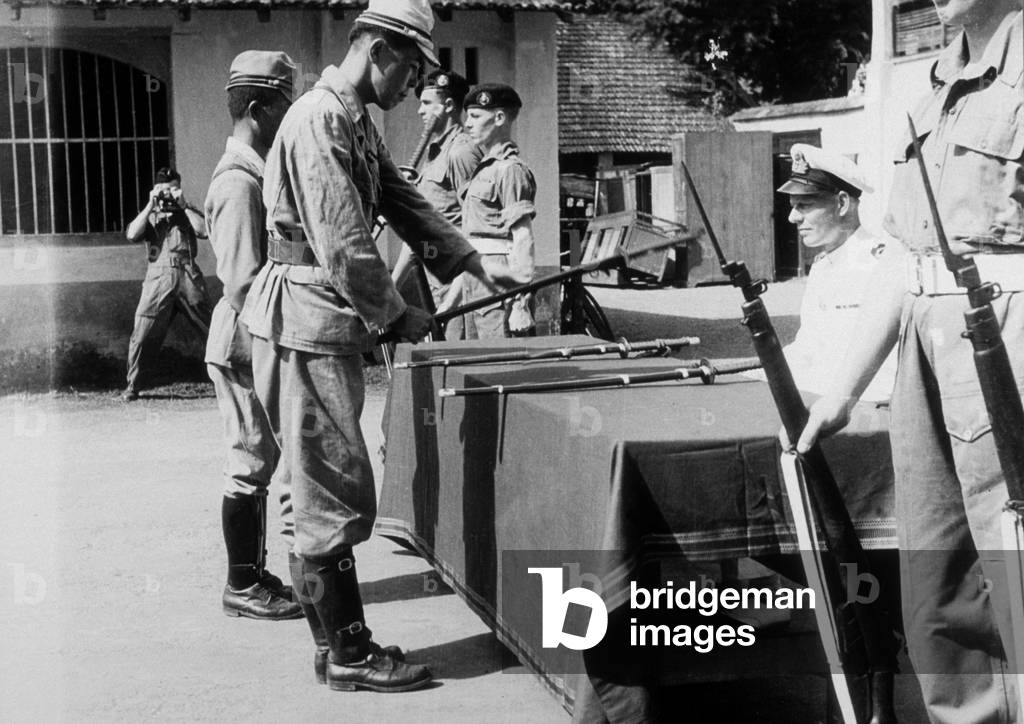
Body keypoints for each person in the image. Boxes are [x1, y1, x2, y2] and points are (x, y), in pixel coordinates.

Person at [239, 0, 523, 693]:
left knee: (318, 480)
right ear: (382, 51)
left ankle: (333, 644)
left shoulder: (350, 116)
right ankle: (350, 653)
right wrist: (397, 315)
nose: (413, 90)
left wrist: (469, 260)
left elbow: (399, 198)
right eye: (414, 71)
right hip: (307, 313)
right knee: (330, 481)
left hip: (317, 313)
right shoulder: (318, 119)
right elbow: (343, 238)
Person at [795, 3, 1024, 722]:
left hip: (1008, 336)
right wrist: (842, 390)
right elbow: (904, 260)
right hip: (925, 345)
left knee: (1014, 565)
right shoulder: (933, 87)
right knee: (936, 577)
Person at [204, 50, 302, 621]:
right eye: (285, 103)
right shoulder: (239, 183)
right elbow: (243, 281)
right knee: (248, 460)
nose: (290, 114)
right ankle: (241, 584)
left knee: (260, 459)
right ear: (259, 107)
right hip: (245, 340)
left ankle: (252, 573)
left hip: (251, 337)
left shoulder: (255, 173)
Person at [771, 143, 898, 403]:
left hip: (862, 408)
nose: (792, 218)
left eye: (804, 204)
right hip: (820, 397)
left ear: (842, 203)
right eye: (793, 206)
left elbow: (889, 371)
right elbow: (807, 349)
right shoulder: (821, 268)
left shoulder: (881, 267)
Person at [391, 68, 482, 338]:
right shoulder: (434, 154)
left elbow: (476, 229)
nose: (420, 111)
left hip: (461, 291)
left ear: (449, 106)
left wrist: (451, 301)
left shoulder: (462, 151)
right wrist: (392, 287)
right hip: (436, 283)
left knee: (461, 367)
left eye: (427, 103)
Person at [123, 168, 212, 401]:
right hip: (157, 279)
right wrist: (150, 206)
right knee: (143, 332)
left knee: (212, 328)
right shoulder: (150, 215)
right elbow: (132, 234)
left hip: (187, 275)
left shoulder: (187, 211)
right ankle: (133, 386)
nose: (168, 196)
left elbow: (204, 231)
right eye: (164, 190)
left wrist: (183, 205)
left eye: (173, 189)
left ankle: (233, 379)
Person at [457, 83, 537, 339]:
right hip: (476, 278)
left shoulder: (509, 170)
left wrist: (521, 304)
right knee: (475, 366)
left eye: (476, 116)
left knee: (501, 362)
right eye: (468, 115)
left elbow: (522, 237)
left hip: (499, 283)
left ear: (500, 118)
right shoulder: (485, 168)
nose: (468, 123)